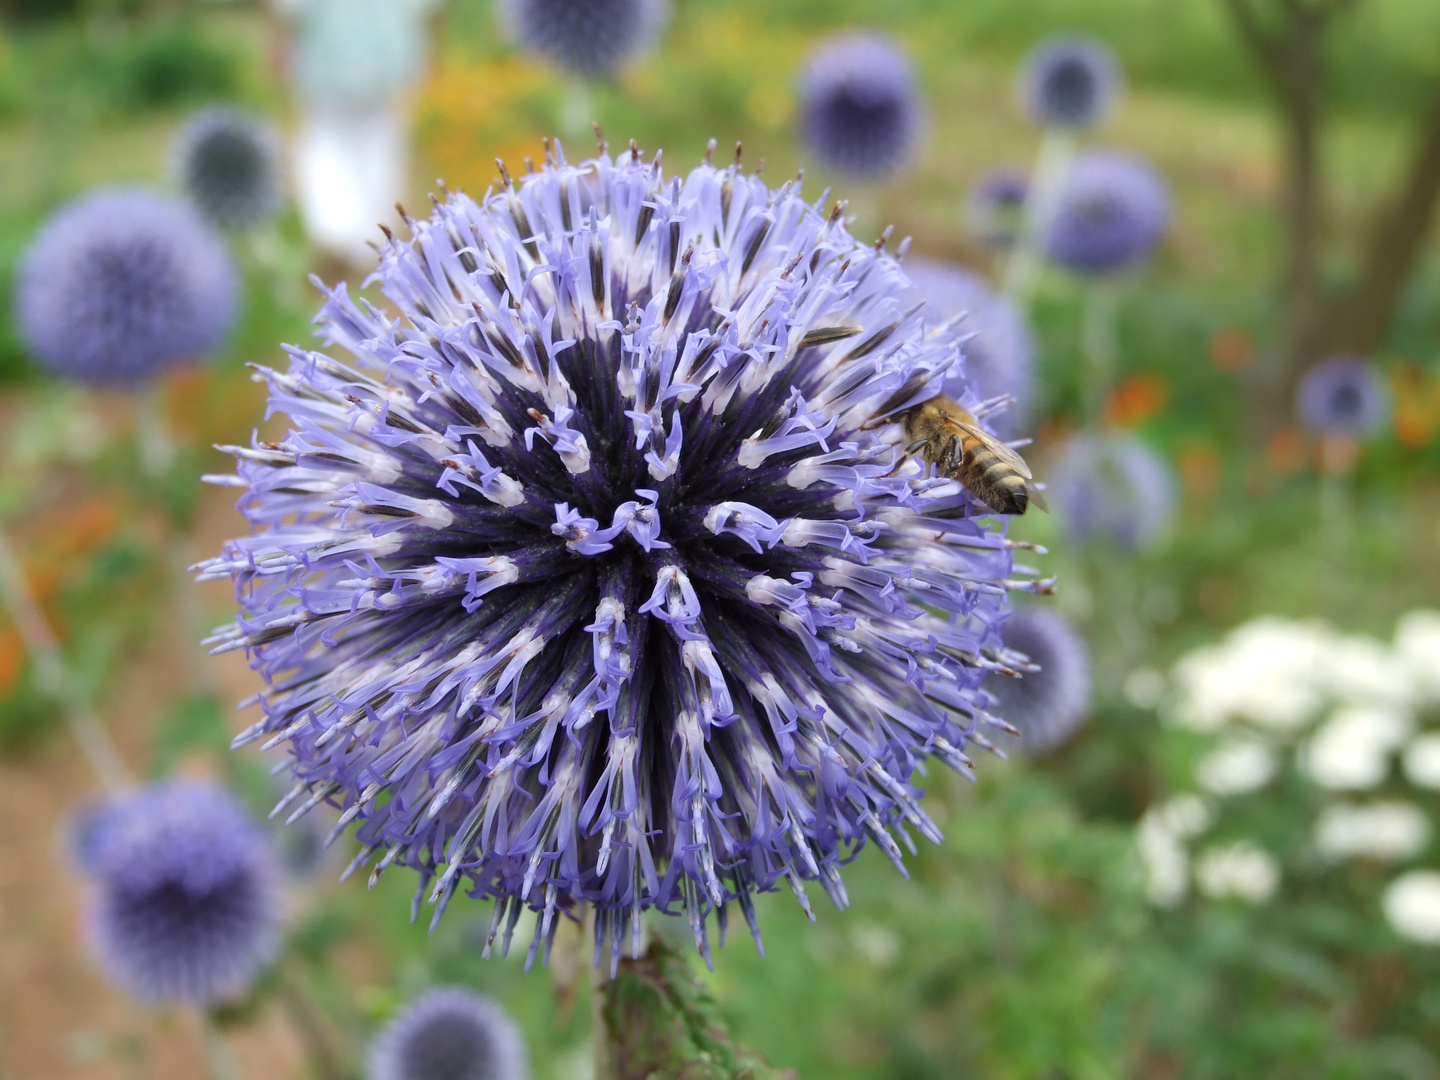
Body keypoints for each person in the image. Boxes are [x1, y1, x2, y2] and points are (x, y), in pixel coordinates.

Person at [271, 0, 439, 267]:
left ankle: (345, 239)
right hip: (376, 56)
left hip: (334, 59)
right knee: (367, 147)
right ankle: (355, 241)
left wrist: (279, 41)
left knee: (336, 146)